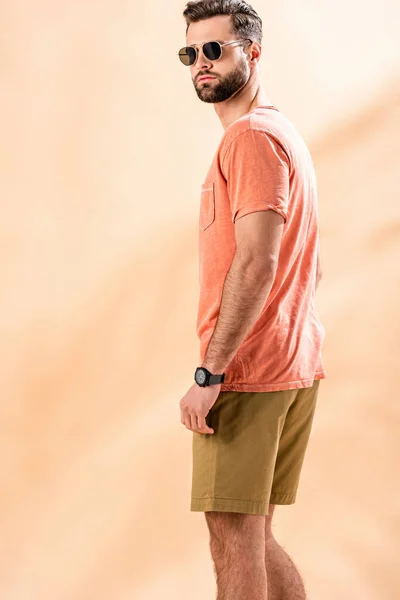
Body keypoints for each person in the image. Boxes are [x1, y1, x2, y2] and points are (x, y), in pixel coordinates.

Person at [178, 1, 327, 598]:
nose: (200, 65)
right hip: (292, 363)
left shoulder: (251, 139)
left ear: (253, 52)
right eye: (190, 53)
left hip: (249, 374)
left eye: (214, 49)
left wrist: (209, 372)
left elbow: (259, 261)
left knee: (234, 539)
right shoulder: (281, 132)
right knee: (257, 534)